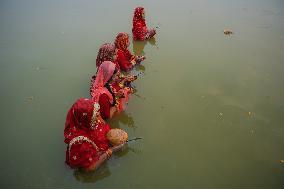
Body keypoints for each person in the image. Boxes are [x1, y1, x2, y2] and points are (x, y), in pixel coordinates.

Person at [64, 98, 128, 171]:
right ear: (85, 119)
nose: (98, 118)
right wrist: (110, 151)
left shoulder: (92, 119)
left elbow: (103, 126)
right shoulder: (79, 143)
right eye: (95, 116)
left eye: (97, 113)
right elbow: (89, 168)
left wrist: (114, 135)